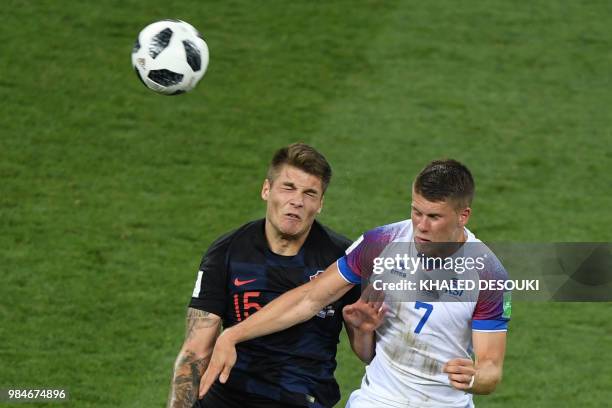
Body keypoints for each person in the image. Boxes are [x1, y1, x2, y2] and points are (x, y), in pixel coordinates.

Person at [199, 159, 512, 407]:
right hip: (378, 400)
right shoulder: (382, 243)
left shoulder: (488, 274)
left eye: (434, 216)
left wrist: (475, 378)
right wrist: (233, 335)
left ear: (463, 215)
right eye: (416, 212)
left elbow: (490, 368)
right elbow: (310, 298)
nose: (420, 226)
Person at [167, 143, 383, 408]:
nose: (297, 201)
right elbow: (195, 351)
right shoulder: (228, 251)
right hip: (228, 394)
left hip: (299, 397)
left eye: (310, 193)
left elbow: (368, 353)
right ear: (266, 190)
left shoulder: (341, 261)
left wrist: (363, 332)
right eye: (288, 188)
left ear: (320, 204)